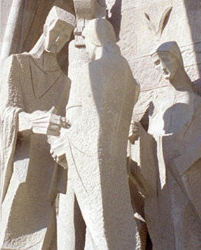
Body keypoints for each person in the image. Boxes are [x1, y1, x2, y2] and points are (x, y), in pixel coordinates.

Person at [0, 6, 75, 250]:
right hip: (20, 164)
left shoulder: (64, 83)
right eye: (57, 32)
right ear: (46, 26)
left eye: (64, 37)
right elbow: (4, 114)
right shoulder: (17, 63)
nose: (58, 40)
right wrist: (33, 121)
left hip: (48, 170)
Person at [50, 18, 138, 249]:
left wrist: (62, 141)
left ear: (95, 41)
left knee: (98, 226)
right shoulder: (128, 74)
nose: (86, 49)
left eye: (87, 43)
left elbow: (88, 122)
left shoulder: (90, 71)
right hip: (115, 161)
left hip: (91, 159)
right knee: (115, 222)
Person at [133, 41, 201, 249]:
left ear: (177, 60)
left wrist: (181, 164)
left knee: (188, 228)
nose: (162, 67)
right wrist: (136, 134)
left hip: (185, 175)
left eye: (166, 60)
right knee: (162, 227)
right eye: (157, 63)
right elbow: (150, 137)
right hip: (159, 177)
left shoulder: (198, 103)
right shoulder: (157, 105)